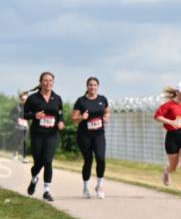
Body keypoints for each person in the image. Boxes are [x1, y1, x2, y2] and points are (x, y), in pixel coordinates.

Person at [23, 72, 65, 202]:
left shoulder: (57, 98)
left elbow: (60, 113)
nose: (48, 83)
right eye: (45, 80)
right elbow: (25, 114)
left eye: (50, 80)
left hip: (51, 134)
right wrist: (35, 115)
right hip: (37, 134)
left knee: (47, 161)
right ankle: (34, 178)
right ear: (40, 82)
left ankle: (47, 191)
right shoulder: (33, 98)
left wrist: (61, 122)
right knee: (38, 162)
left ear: (53, 82)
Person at [71, 77, 111, 199]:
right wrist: (82, 117)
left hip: (99, 134)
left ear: (98, 86)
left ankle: (100, 186)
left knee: (100, 158)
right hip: (84, 135)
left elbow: (107, 111)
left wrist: (106, 117)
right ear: (87, 86)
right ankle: (86, 187)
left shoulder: (102, 99)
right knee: (88, 161)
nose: (92, 87)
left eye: (94, 85)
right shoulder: (81, 101)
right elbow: (73, 119)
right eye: (90, 85)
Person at [9, 91, 29, 162]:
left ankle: (24, 157)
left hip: (26, 127)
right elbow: (11, 115)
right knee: (17, 141)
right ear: (20, 99)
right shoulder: (17, 107)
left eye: (26, 99)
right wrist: (16, 118)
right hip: (18, 127)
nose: (24, 101)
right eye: (23, 99)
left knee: (24, 142)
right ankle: (15, 155)